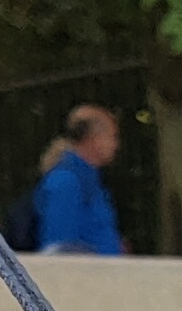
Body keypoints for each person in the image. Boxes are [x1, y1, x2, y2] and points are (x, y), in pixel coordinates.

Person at [19, 103, 128, 259]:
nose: (116, 145)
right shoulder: (66, 181)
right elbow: (60, 248)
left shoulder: (88, 182)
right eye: (112, 136)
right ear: (94, 138)